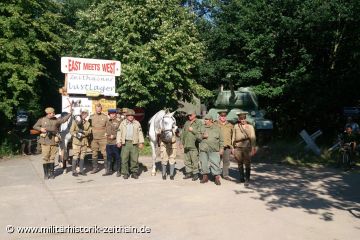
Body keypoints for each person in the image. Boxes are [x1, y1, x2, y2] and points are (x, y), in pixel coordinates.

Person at [33, 106, 72, 179]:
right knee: (45, 158)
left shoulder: (56, 120)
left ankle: (52, 174)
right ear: (48, 113)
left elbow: (63, 120)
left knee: (52, 157)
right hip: (45, 141)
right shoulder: (42, 120)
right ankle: (46, 174)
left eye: (53, 113)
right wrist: (41, 128)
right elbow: (35, 126)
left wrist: (70, 113)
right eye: (52, 113)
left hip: (54, 141)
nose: (54, 114)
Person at [116, 109, 144, 179]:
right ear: (126, 116)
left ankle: (134, 172)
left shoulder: (137, 123)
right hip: (125, 143)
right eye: (129, 115)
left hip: (134, 143)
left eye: (132, 115)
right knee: (124, 159)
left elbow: (140, 133)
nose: (131, 116)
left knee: (134, 159)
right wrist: (118, 141)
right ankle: (125, 173)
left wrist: (141, 142)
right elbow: (119, 132)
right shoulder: (122, 123)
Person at [232, 111, 256, 186]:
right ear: (239, 119)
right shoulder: (236, 126)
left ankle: (247, 179)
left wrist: (253, 147)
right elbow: (233, 136)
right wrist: (232, 147)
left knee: (247, 163)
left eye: (244, 118)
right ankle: (241, 177)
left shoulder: (250, 126)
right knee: (239, 162)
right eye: (241, 119)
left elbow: (253, 137)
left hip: (247, 147)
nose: (243, 120)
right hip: (238, 146)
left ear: (246, 118)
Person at [199, 114, 224, 185]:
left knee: (215, 163)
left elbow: (221, 140)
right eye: (205, 119)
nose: (205, 121)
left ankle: (216, 178)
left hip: (214, 149)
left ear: (211, 120)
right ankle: (205, 177)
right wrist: (202, 136)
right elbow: (197, 137)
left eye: (206, 119)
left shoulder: (217, 128)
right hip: (204, 149)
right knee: (203, 163)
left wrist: (221, 148)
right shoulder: (202, 127)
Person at [180, 110, 202, 181]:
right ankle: (188, 173)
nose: (189, 116)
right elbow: (183, 133)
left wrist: (193, 130)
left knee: (194, 160)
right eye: (188, 115)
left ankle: (195, 174)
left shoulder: (199, 123)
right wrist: (181, 142)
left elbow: (200, 134)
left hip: (194, 145)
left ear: (195, 115)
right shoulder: (187, 122)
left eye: (190, 115)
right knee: (187, 160)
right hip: (186, 144)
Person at [69, 109, 91, 176]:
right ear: (81, 114)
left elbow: (89, 131)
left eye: (86, 114)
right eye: (83, 113)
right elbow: (71, 131)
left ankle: (81, 170)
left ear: (87, 115)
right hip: (76, 141)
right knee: (75, 156)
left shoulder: (88, 123)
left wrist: (84, 133)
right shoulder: (75, 121)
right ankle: (74, 171)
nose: (84, 115)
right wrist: (77, 134)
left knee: (82, 156)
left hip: (84, 141)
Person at [89, 103, 108, 174]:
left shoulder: (105, 117)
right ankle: (95, 168)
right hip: (94, 138)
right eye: (97, 109)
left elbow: (108, 126)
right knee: (94, 153)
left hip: (103, 137)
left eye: (100, 109)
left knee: (105, 153)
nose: (98, 110)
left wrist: (107, 133)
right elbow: (88, 126)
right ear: (95, 109)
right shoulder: (91, 117)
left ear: (101, 109)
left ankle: (107, 168)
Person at [215, 109, 233, 180]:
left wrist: (232, 146)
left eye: (224, 116)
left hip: (227, 146)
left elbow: (233, 135)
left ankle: (225, 175)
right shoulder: (215, 124)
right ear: (219, 116)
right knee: (217, 161)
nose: (223, 117)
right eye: (221, 116)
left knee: (226, 161)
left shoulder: (230, 125)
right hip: (218, 146)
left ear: (226, 117)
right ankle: (216, 174)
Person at [103, 109, 121, 176]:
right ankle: (109, 171)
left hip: (115, 142)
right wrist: (105, 133)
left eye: (114, 114)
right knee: (109, 157)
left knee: (117, 157)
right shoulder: (107, 121)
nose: (113, 115)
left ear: (115, 114)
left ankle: (118, 171)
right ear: (109, 115)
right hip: (108, 143)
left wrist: (115, 136)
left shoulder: (119, 121)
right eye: (111, 114)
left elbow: (120, 131)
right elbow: (105, 129)